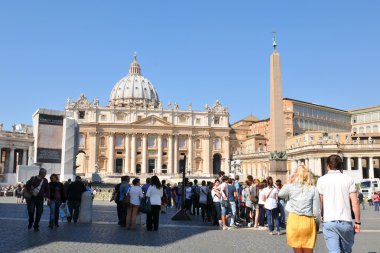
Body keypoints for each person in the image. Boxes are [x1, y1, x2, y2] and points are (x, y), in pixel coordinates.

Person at [317, 155, 361, 253]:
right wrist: (357, 222)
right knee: (346, 250)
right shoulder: (348, 179)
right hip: (346, 221)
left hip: (329, 221)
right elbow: (355, 202)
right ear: (341, 165)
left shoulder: (321, 180)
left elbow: (320, 202)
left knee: (334, 251)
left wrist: (322, 216)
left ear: (328, 166)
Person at [279, 166, 320, 253]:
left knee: (297, 250)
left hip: (293, 220)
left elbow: (280, 194)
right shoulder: (313, 189)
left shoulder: (290, 187)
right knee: (308, 249)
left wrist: (288, 182)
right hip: (308, 220)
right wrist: (317, 225)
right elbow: (316, 211)